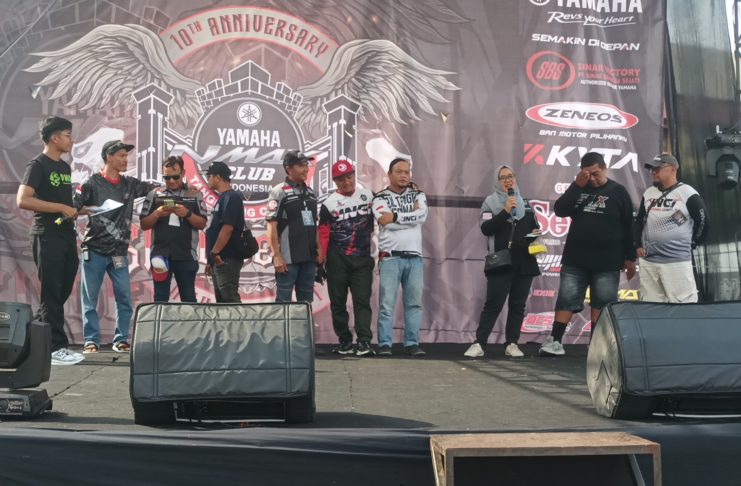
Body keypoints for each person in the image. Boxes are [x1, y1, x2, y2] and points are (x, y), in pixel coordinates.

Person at [540, 152, 636, 356]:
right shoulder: (578, 188)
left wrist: (630, 257)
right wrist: (576, 185)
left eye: (596, 173)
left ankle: (596, 345)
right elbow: (560, 210)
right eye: (587, 174)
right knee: (566, 299)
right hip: (576, 258)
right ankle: (555, 341)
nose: (592, 178)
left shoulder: (619, 191)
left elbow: (629, 226)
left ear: (605, 169)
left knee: (602, 302)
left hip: (608, 261)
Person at [74, 140, 157, 354]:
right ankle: (91, 340)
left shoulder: (129, 184)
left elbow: (156, 188)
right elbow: (72, 208)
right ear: (109, 157)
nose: (125, 159)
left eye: (126, 155)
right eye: (121, 155)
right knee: (89, 299)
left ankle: (121, 339)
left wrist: (183, 187)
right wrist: (91, 209)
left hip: (119, 252)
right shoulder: (91, 182)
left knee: (124, 298)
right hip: (94, 249)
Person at [16, 117, 84, 365]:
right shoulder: (38, 165)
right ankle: (55, 347)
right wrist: (60, 207)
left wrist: (77, 209)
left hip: (65, 234)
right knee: (52, 290)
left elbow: (64, 203)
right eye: (67, 135)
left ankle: (33, 338)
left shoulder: (64, 167)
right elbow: (23, 200)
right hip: (46, 234)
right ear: (54, 138)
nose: (71, 140)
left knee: (60, 289)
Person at [464, 166, 541, 359]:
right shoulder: (490, 203)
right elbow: (486, 228)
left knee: (518, 306)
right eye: (503, 177)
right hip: (501, 261)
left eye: (510, 176)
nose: (508, 180)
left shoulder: (525, 203)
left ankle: (512, 343)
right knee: (493, 304)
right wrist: (506, 211)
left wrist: (534, 234)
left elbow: (534, 227)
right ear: (497, 181)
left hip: (525, 261)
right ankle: (479, 343)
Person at [318, 160, 375, 356]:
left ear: (354, 175)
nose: (346, 181)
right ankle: (344, 342)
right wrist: (320, 261)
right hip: (337, 259)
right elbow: (323, 234)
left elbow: (387, 207)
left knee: (362, 301)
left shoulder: (369, 196)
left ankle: (364, 342)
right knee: (338, 303)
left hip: (362, 258)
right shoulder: (328, 203)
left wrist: (410, 189)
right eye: (341, 179)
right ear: (334, 181)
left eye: (349, 176)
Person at [634, 153, 709, 303]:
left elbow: (703, 221)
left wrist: (693, 243)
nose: (653, 172)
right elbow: (639, 221)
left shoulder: (687, 192)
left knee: (683, 305)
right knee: (650, 304)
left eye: (657, 169)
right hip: (649, 261)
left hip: (677, 261)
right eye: (651, 169)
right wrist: (637, 244)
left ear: (673, 170)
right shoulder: (648, 193)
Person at [372, 158, 428, 357]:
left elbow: (421, 216)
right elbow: (384, 220)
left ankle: (412, 343)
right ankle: (384, 344)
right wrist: (408, 216)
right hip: (390, 258)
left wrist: (396, 216)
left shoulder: (418, 194)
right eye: (399, 171)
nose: (404, 175)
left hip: (415, 257)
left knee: (414, 304)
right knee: (386, 305)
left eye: (407, 172)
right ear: (389, 174)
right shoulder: (379, 197)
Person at [140, 156, 207, 302]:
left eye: (175, 177)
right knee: (160, 298)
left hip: (186, 255)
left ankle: (189, 319)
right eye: (166, 177)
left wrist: (187, 214)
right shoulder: (155, 194)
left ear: (183, 173)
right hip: (160, 255)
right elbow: (144, 224)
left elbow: (202, 223)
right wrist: (157, 214)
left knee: (188, 298)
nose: (171, 181)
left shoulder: (194, 194)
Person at [266, 150, 321, 303]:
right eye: (301, 165)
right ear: (289, 168)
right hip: (288, 260)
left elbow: (312, 222)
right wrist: (277, 256)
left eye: (307, 165)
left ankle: (304, 322)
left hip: (309, 258)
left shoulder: (311, 193)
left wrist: (319, 247)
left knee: (306, 303)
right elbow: (271, 226)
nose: (306, 169)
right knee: (283, 303)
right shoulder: (279, 191)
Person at [203, 161, 245, 303]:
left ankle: (241, 320)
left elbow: (228, 228)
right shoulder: (222, 198)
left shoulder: (232, 197)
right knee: (222, 302)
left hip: (226, 258)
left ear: (217, 177)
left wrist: (215, 253)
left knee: (230, 300)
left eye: (209, 176)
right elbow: (214, 230)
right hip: (218, 258)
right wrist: (210, 260)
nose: (207, 180)